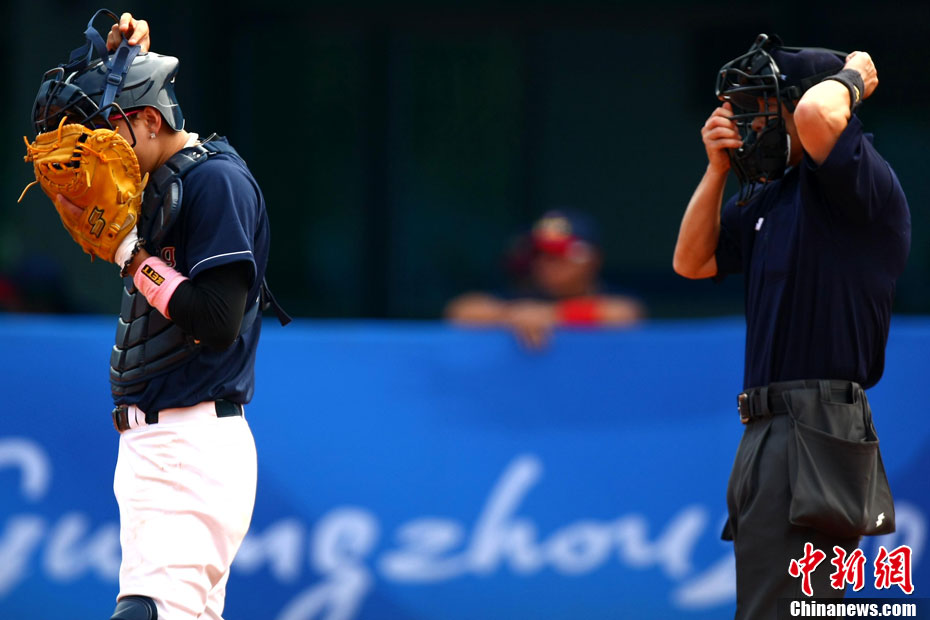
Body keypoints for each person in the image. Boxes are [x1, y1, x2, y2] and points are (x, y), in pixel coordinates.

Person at [32, 11, 287, 619]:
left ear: (151, 120)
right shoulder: (157, 179)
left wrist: (130, 255)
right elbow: (62, 111)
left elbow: (216, 320)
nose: (99, 147)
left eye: (110, 131)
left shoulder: (216, 180)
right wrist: (116, 60)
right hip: (160, 444)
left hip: (190, 441)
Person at [673, 34, 910, 618]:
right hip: (767, 423)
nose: (751, 126)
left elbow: (817, 116)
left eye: (762, 110)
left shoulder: (858, 183)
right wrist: (716, 170)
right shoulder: (772, 199)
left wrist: (852, 76)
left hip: (816, 420)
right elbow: (692, 261)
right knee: (777, 604)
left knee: (783, 608)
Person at [445, 208, 645, 348]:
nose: (547, 263)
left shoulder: (608, 296)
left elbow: (624, 314)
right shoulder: (524, 297)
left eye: (559, 254)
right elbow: (461, 310)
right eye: (539, 254)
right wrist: (512, 315)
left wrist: (550, 315)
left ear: (593, 259)